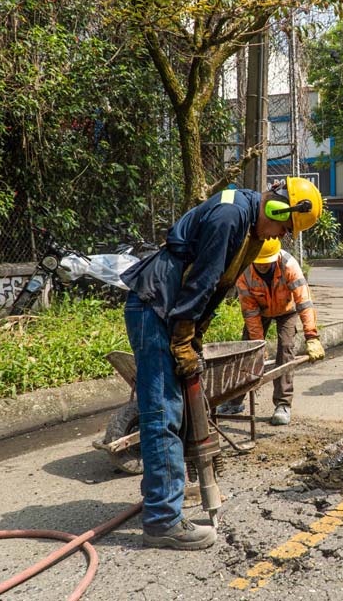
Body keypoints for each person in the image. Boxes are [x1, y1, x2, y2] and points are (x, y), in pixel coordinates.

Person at [120, 177, 322, 550]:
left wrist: (195, 331)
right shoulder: (232, 216)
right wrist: (184, 333)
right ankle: (162, 521)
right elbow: (203, 279)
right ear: (277, 208)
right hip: (157, 307)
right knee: (163, 411)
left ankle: (164, 498)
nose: (281, 236)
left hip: (169, 307)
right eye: (284, 227)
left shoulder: (246, 220)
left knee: (174, 411)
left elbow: (215, 288)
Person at [222, 238, 325, 426]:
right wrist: (258, 346)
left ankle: (283, 404)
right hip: (260, 311)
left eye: (266, 262)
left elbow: (304, 302)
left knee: (286, 348)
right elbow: (250, 313)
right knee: (248, 352)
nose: (263, 266)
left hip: (287, 310)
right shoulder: (245, 272)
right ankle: (234, 400)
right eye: (259, 263)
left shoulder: (289, 265)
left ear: (275, 256)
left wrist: (311, 336)